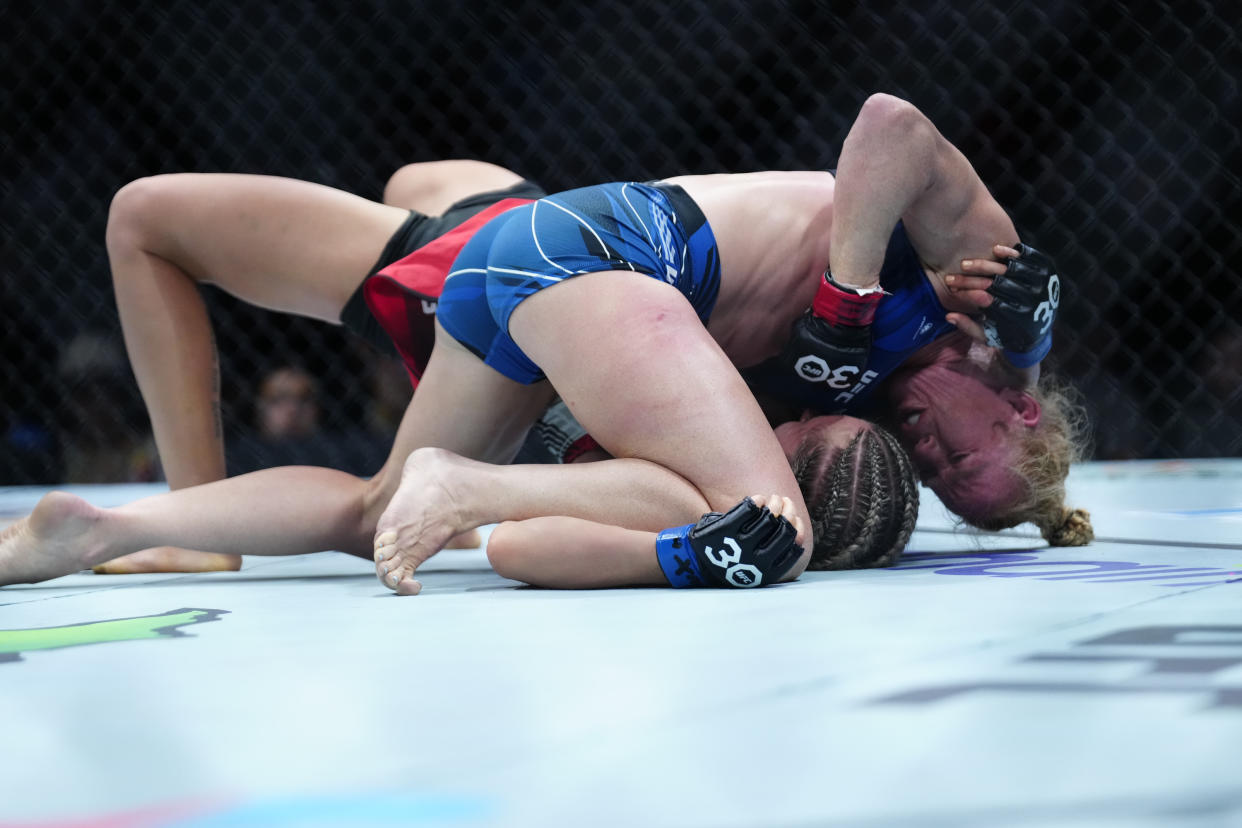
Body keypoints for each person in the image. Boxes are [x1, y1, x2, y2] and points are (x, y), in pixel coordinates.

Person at [1, 94, 1081, 593]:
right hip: (593, 259)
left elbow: (544, 538)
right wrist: (863, 297)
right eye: (964, 460)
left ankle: (121, 523)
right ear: (1022, 408)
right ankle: (469, 488)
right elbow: (890, 124)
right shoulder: (977, 302)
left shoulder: (862, 377)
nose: (933, 464)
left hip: (535, 280)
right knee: (756, 521)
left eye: (937, 484)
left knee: (381, 508)